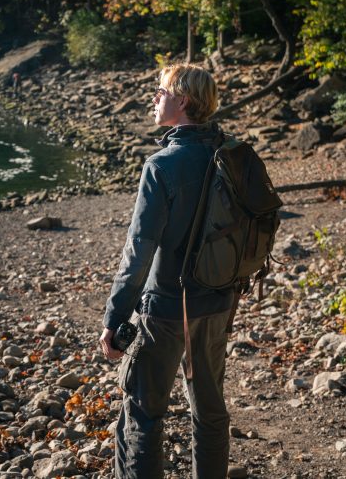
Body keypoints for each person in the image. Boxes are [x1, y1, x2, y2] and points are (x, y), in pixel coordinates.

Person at [99, 63, 233, 478]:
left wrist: (114, 317)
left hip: (166, 308)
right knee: (209, 411)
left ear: (183, 101)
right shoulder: (231, 156)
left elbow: (138, 252)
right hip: (218, 300)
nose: (154, 99)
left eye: (160, 92)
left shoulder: (162, 165)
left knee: (143, 412)